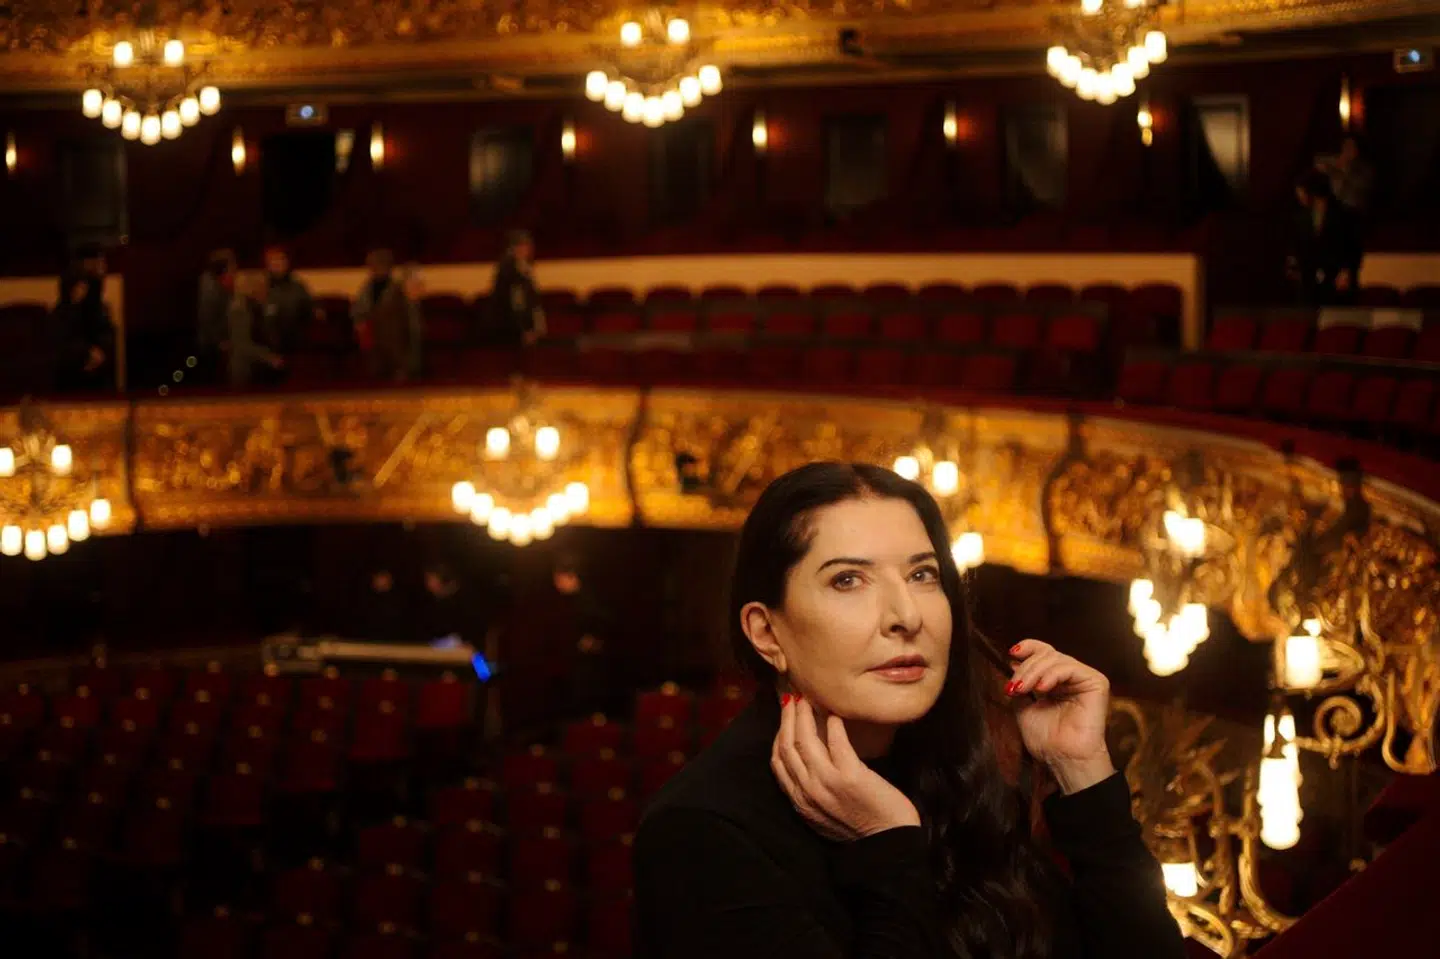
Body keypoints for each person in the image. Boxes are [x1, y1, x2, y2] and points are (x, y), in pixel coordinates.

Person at [634, 462, 1184, 959]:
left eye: (922, 575)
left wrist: (1081, 770)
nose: (906, 615)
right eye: (848, 580)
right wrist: (891, 845)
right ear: (766, 632)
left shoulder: (952, 770)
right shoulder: (700, 830)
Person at [1288, 171, 1362, 307]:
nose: (1298, 196)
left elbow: (1354, 246)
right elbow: (1297, 245)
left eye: (1301, 191)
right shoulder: (1301, 217)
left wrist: (1346, 271)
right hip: (1308, 281)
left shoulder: (1344, 214)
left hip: (1336, 278)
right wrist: (1294, 265)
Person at [52, 265, 115, 393]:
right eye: (77, 287)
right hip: (71, 367)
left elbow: (104, 332)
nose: (80, 291)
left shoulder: (93, 309)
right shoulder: (59, 313)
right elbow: (61, 343)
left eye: (83, 287)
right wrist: (87, 352)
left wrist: (101, 351)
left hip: (96, 365)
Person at [226, 271, 285, 387]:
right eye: (263, 289)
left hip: (258, 366)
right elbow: (242, 345)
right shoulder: (239, 310)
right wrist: (269, 358)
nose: (266, 292)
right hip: (244, 369)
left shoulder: (257, 308)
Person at [488, 231, 545, 348]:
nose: (526, 250)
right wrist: (525, 330)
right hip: (511, 330)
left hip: (512, 328)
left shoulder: (520, 268)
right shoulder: (512, 271)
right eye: (522, 246)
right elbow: (518, 304)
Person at [263, 246, 321, 353]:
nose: (277, 263)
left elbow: (312, 308)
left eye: (281, 259)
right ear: (267, 265)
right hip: (269, 345)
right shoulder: (262, 288)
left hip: (297, 341)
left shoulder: (297, 287)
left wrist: (316, 311)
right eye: (273, 260)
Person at [197, 249, 237, 382]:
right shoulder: (210, 289)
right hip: (212, 344)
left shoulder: (218, 283)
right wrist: (220, 341)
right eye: (232, 264)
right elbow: (207, 318)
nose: (235, 267)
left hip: (216, 341)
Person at [1317, 134, 1373, 218]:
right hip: (1334, 205)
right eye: (1345, 145)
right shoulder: (1337, 160)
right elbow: (1318, 160)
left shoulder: (1365, 169)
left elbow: (1363, 186)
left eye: (1350, 147)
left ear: (1357, 150)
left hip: (1353, 210)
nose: (1346, 149)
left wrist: (1345, 169)